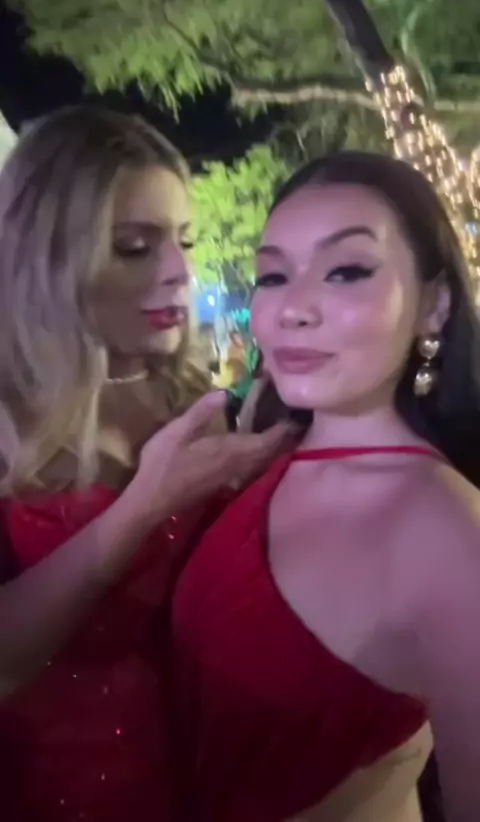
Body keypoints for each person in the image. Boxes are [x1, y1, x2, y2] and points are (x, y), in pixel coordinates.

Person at [164, 151, 480, 822]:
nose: (292, 309)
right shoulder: (264, 458)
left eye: (346, 271)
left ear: (433, 305)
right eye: (273, 275)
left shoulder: (449, 532)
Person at [0, 106, 289, 821]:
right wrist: (143, 505)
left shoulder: (195, 397)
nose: (180, 273)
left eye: (183, 241)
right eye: (134, 247)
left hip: (217, 776)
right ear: (45, 258)